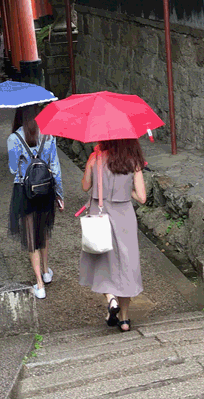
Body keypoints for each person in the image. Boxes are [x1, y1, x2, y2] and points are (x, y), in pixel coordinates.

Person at [79, 138, 147, 332]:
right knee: (126, 265)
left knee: (102, 262)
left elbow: (85, 186)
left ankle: (110, 298)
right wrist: (127, 190)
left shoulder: (95, 158)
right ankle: (124, 320)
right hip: (124, 217)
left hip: (100, 216)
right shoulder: (132, 162)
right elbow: (142, 197)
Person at [8, 105, 64, 298]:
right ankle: (47, 271)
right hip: (46, 189)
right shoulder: (48, 135)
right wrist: (59, 195)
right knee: (44, 230)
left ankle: (39, 284)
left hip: (24, 192)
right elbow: (55, 168)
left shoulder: (13, 139)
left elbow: (13, 169)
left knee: (31, 235)